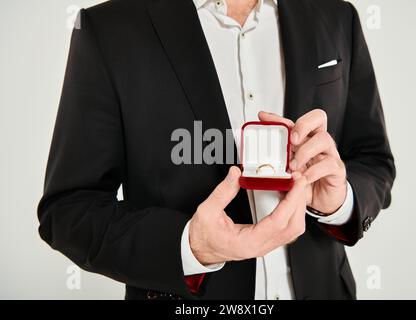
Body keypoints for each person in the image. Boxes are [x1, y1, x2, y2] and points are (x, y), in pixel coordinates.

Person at [38, 0, 395, 300]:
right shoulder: (109, 28)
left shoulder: (336, 15)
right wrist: (190, 245)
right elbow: (68, 211)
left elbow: (373, 160)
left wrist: (339, 202)